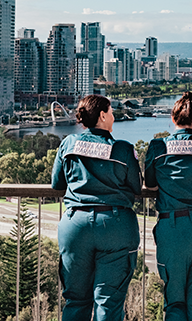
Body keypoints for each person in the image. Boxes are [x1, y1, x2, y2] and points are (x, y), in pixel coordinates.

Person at [52, 94, 142, 321]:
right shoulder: (122, 150)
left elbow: (57, 183)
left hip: (76, 227)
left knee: (76, 300)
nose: (113, 116)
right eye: (111, 112)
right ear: (102, 116)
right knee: (108, 303)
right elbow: (136, 186)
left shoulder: (69, 144)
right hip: (115, 227)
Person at [144, 92, 192, 321]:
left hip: (173, 227)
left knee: (176, 301)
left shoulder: (158, 148)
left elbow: (150, 183)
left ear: (172, 118)